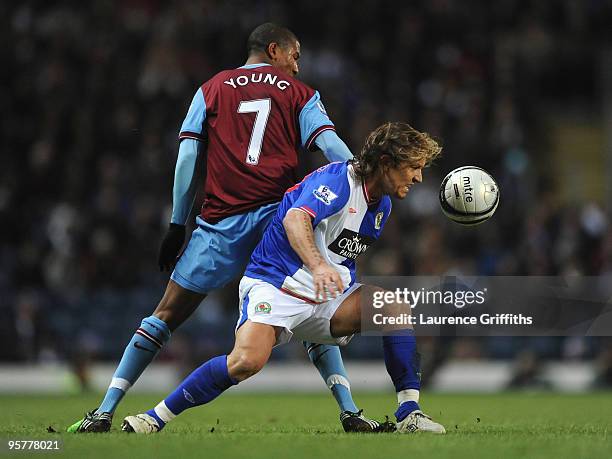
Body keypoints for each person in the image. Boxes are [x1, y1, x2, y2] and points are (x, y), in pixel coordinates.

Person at [68, 23, 381, 433]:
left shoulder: (211, 89)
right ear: (274, 50)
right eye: (295, 55)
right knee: (308, 305)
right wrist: (359, 182)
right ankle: (349, 410)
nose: (298, 66)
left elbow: (187, 157)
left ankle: (105, 410)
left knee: (163, 316)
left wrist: (177, 224)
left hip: (221, 225)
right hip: (279, 222)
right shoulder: (299, 94)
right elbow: (331, 147)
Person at [121, 122, 446, 434]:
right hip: (277, 285)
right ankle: (154, 417)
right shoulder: (338, 181)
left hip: (325, 299)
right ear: (386, 162)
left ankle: (409, 413)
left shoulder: (382, 206)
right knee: (246, 362)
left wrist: (332, 279)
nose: (418, 177)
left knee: (393, 306)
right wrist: (318, 265)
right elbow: (295, 219)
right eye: (413, 167)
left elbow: (341, 254)